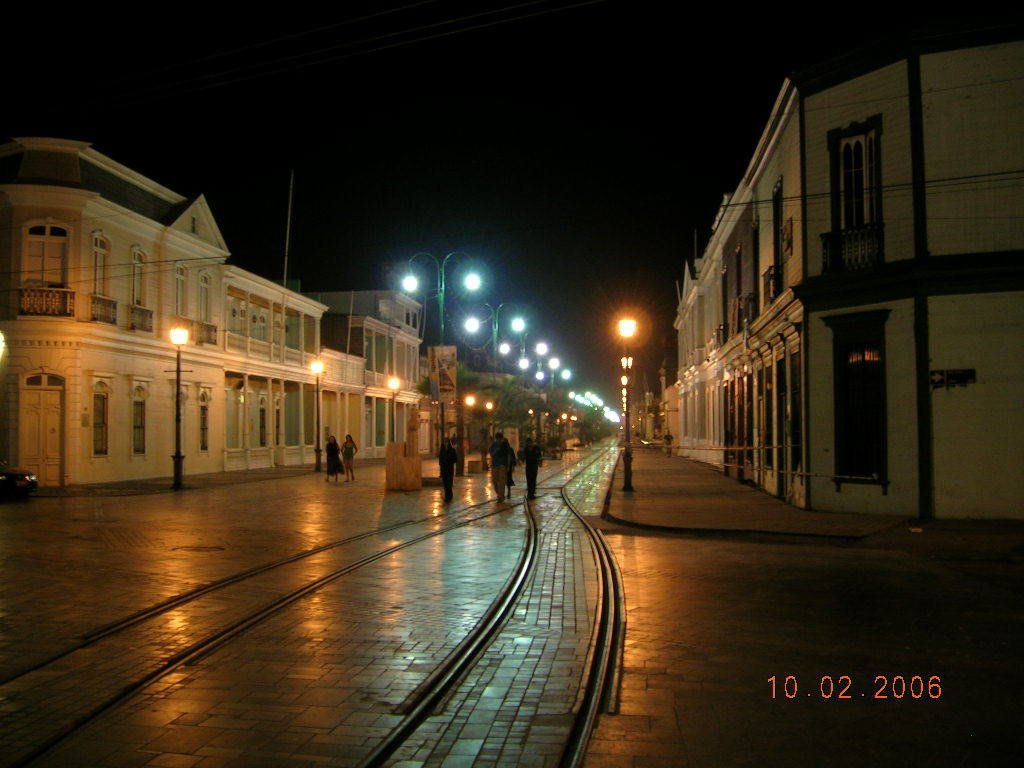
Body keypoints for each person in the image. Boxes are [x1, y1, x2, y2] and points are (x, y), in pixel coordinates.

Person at [488, 431, 510, 501]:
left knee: (502, 481)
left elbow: (508, 455)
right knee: (494, 480)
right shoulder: (493, 445)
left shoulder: (505, 445)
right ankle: (499, 493)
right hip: (494, 465)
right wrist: (496, 450)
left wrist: (508, 465)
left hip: (502, 465)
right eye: (498, 439)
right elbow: (491, 454)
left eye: (500, 439)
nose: (499, 440)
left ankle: (501, 496)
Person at [439, 436, 458, 503]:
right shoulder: (442, 450)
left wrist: (449, 460)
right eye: (444, 442)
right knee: (445, 484)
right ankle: (447, 496)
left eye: (446, 442)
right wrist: (440, 471)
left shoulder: (452, 450)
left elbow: (455, 459)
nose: (446, 443)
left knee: (449, 483)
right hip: (444, 469)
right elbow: (440, 461)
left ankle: (449, 496)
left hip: (449, 469)